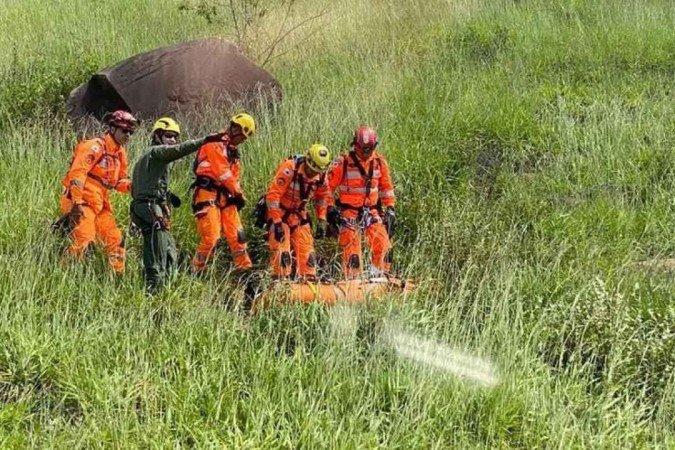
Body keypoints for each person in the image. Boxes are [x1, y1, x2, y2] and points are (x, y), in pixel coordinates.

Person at [130, 117, 225, 293]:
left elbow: (145, 184)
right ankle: (153, 289)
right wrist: (204, 140)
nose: (172, 140)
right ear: (158, 136)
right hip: (149, 207)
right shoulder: (156, 152)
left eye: (175, 136)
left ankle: (165, 287)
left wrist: (167, 196)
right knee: (157, 248)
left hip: (149, 206)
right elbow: (179, 150)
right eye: (168, 136)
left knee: (169, 250)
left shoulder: (153, 160)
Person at [58, 110, 137, 273]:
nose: (128, 135)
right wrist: (77, 202)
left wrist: (134, 186)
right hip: (81, 201)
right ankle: (63, 272)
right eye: (124, 130)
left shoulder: (120, 154)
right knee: (85, 239)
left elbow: (118, 182)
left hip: (100, 203)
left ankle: (117, 276)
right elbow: (77, 173)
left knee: (116, 240)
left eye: (130, 132)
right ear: (113, 128)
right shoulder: (94, 146)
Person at [326, 126, 396, 279]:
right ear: (355, 145)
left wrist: (390, 208)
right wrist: (330, 209)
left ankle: (379, 276)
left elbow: (386, 188)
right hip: (348, 212)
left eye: (370, 149)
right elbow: (327, 189)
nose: (366, 153)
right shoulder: (343, 162)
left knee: (384, 246)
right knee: (352, 253)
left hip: (371, 211)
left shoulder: (379, 162)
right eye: (363, 149)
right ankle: (353, 281)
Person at [190, 113, 255, 274]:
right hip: (207, 193)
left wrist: (237, 195)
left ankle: (244, 272)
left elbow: (234, 177)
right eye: (243, 137)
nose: (243, 141)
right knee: (211, 237)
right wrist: (238, 193)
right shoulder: (215, 143)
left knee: (238, 237)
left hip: (227, 196)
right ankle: (197, 271)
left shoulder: (233, 152)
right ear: (236, 129)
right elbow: (222, 173)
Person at [264, 144, 332, 280]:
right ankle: (280, 279)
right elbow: (273, 196)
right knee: (282, 249)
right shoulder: (290, 168)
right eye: (312, 169)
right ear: (307, 161)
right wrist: (276, 222)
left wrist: (322, 219)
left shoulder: (322, 177)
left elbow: (323, 198)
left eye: (317, 171)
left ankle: (308, 279)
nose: (313, 174)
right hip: (279, 213)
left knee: (307, 252)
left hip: (298, 215)